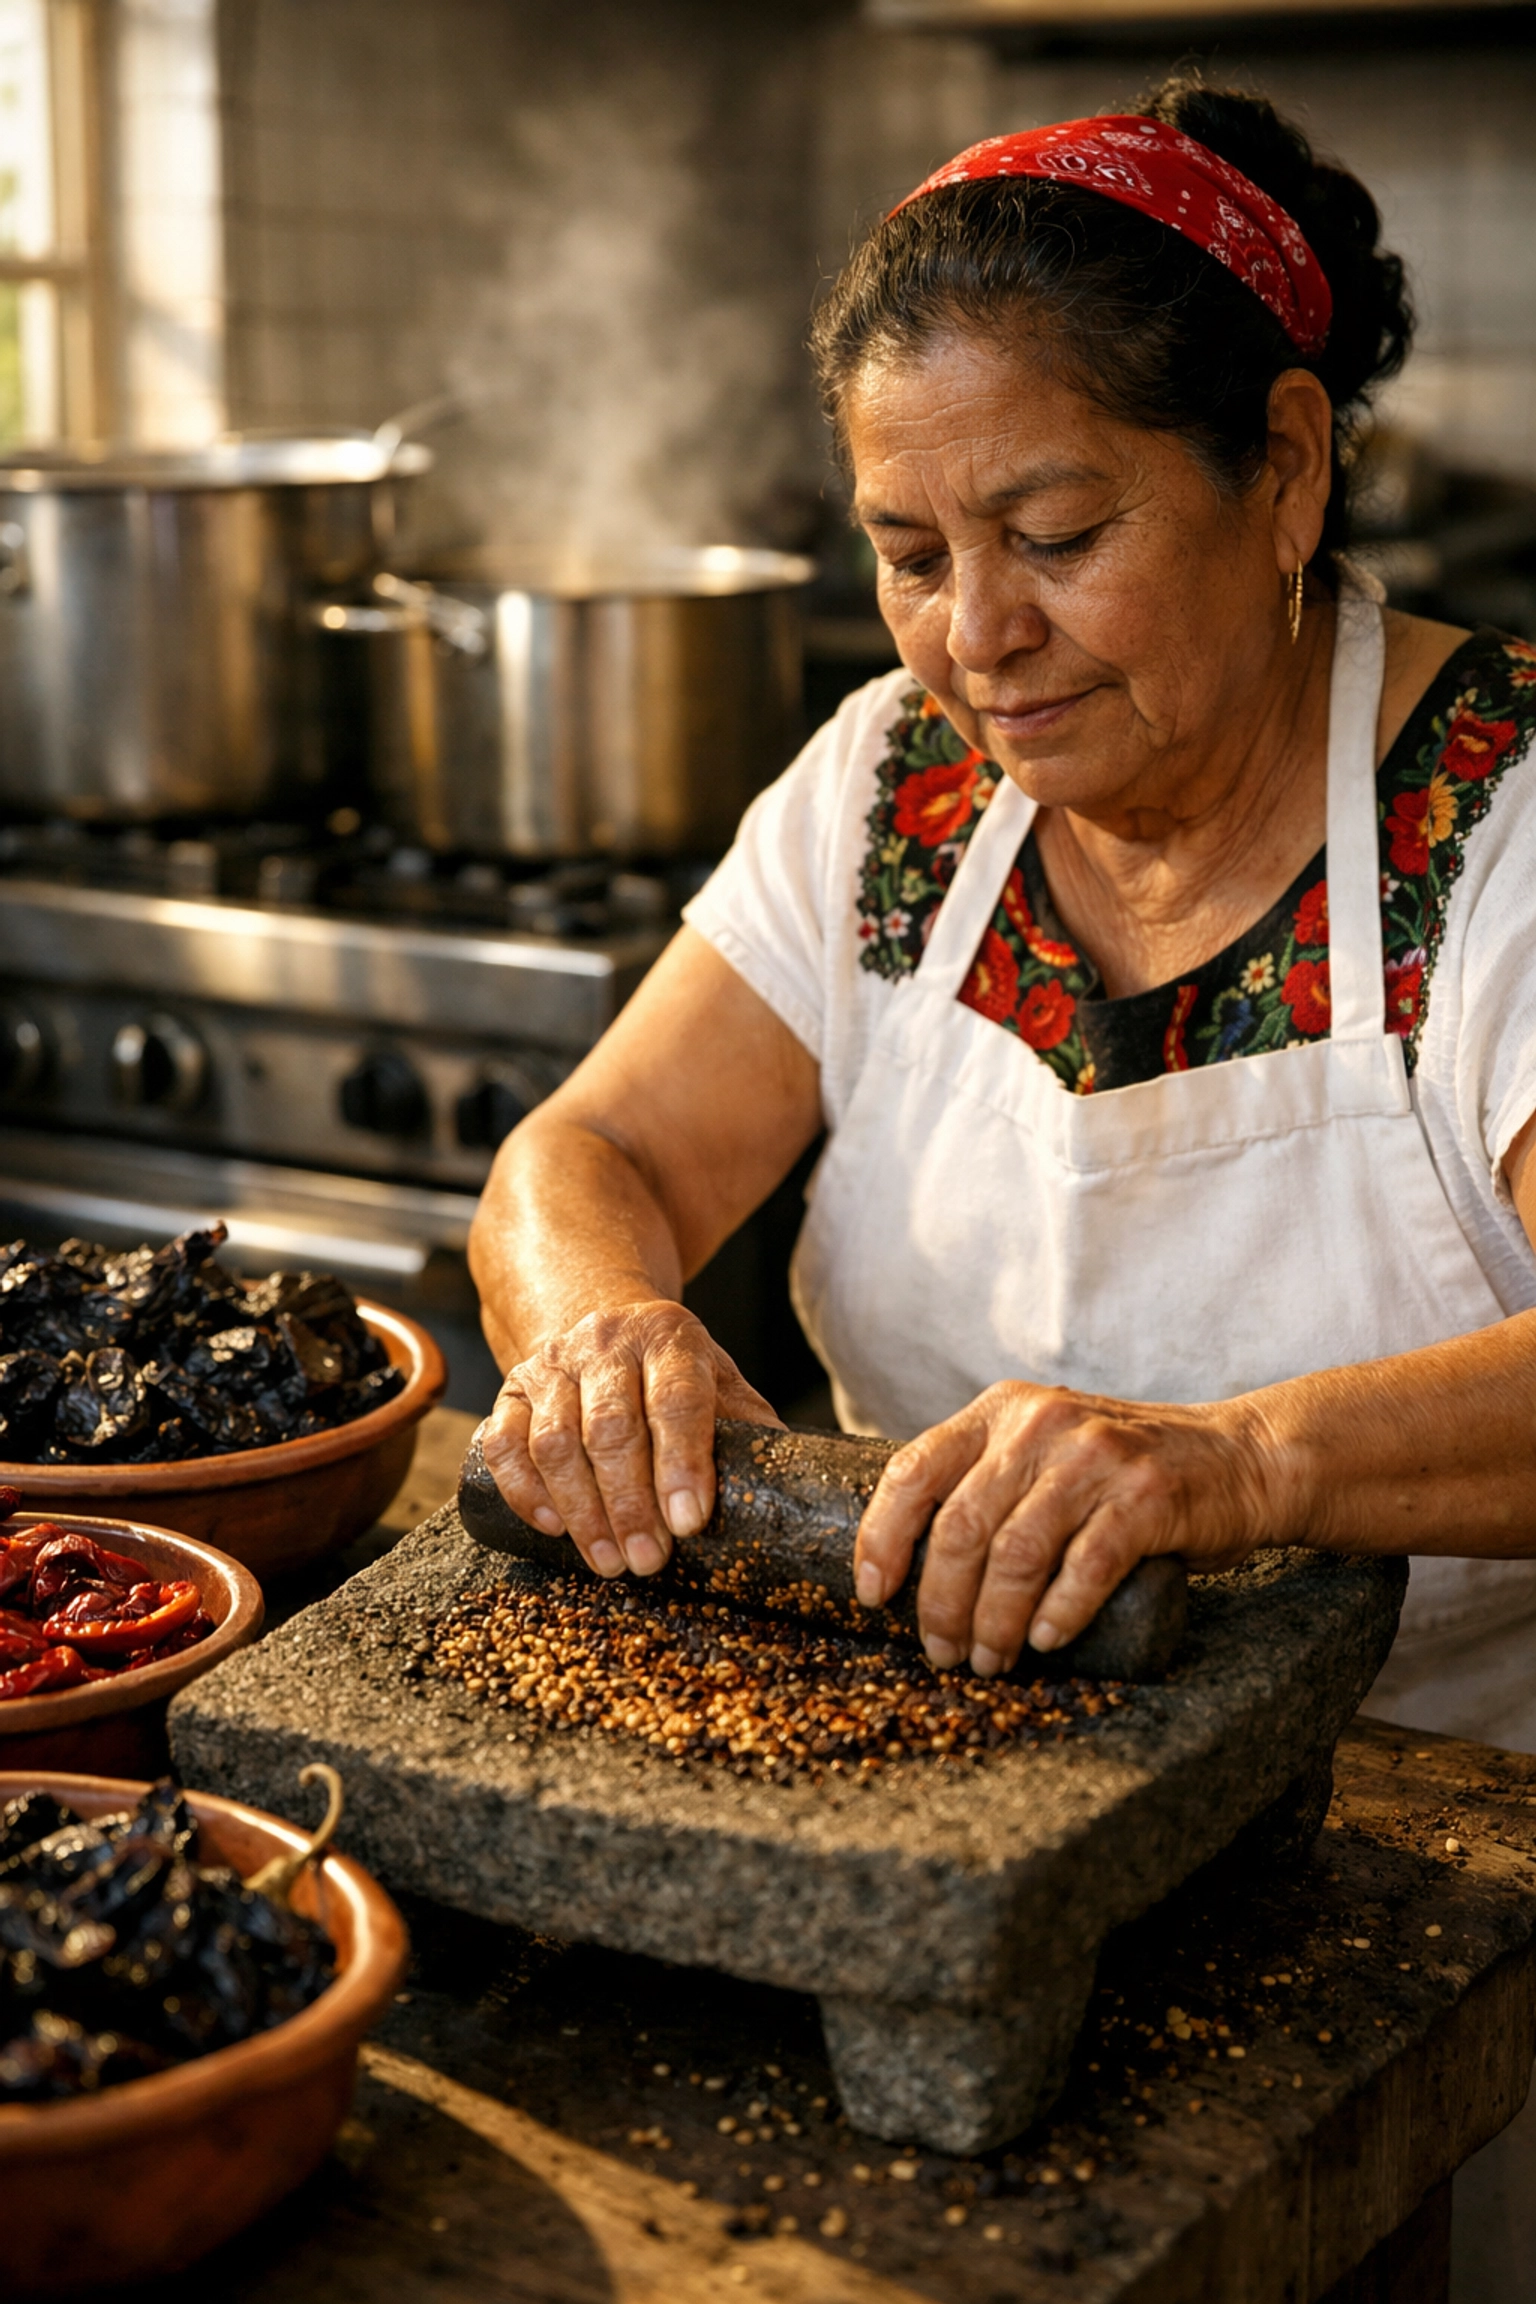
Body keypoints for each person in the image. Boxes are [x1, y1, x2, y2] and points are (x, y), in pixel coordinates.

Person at [469, 81, 1536, 1742]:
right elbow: (585, 1158)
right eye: (907, 555)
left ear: (1290, 471)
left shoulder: (1503, 815)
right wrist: (605, 1331)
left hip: (1447, 1827)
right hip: (933, 1770)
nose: (975, 636)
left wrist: (1240, 1462)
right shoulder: (899, 782)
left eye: (1054, 534)